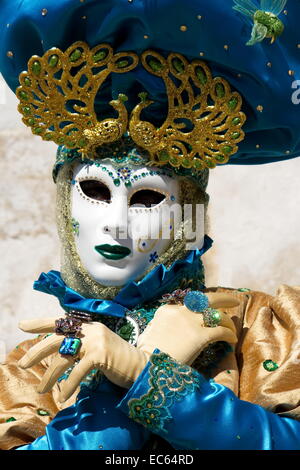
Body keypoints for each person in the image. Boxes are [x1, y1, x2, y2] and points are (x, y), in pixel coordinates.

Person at [0, 0, 300, 451]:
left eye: (147, 198)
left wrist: (154, 381)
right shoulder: (31, 369)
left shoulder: (264, 330)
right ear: (65, 206)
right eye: (95, 192)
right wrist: (108, 395)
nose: (116, 224)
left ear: (188, 216)